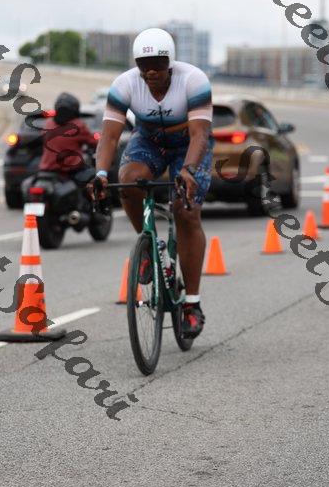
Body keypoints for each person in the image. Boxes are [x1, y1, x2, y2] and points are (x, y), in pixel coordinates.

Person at [93, 28, 213, 338]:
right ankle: (148, 246)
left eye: (158, 64)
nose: (151, 72)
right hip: (149, 140)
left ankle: (192, 304)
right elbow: (109, 136)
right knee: (127, 180)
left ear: (170, 62)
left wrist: (188, 170)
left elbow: (200, 134)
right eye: (143, 65)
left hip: (188, 143)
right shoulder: (124, 84)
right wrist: (101, 174)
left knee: (185, 211)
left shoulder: (193, 80)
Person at [39, 92, 98, 176]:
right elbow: (95, 143)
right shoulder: (78, 125)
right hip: (69, 172)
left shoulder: (48, 123)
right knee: (93, 177)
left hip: (45, 170)